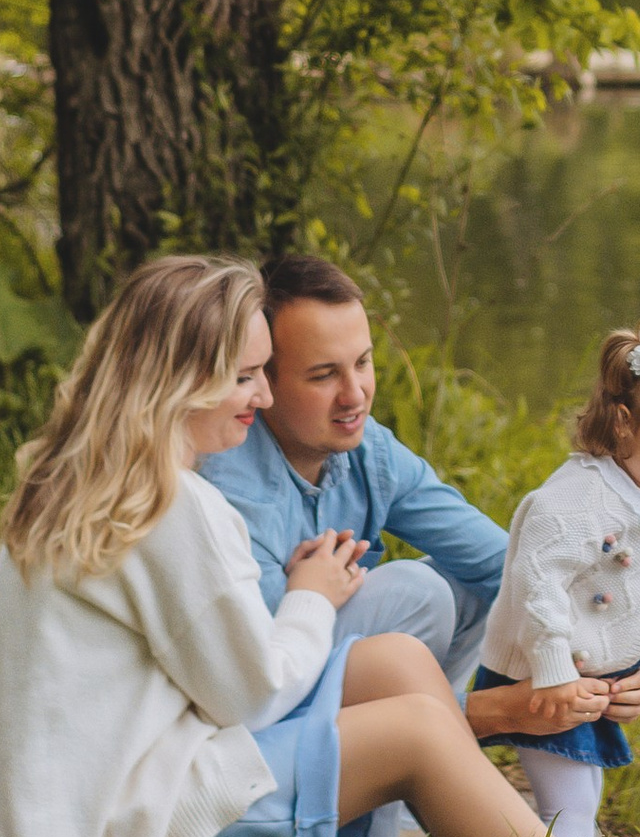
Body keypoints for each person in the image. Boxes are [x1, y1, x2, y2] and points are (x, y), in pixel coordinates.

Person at [0, 252, 572, 837]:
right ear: (180, 382)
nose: (260, 397)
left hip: (83, 820)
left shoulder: (86, 477)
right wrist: (311, 596)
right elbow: (252, 697)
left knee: (398, 660)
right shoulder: (172, 505)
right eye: (245, 377)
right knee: (418, 733)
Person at [198, 252, 511, 697]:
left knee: (473, 585)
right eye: (324, 375)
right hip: (263, 700)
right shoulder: (227, 486)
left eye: (362, 363)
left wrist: (608, 654)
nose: (355, 395)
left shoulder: (371, 450)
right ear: (265, 380)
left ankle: (430, 745)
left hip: (322, 668)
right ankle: (431, 736)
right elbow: (258, 673)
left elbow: (503, 564)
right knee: (418, 591)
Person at [468, 317, 640, 837]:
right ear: (625, 425)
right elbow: (539, 581)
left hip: (586, 675)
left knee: (580, 796)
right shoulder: (577, 500)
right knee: (573, 801)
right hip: (546, 672)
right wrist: (553, 669)